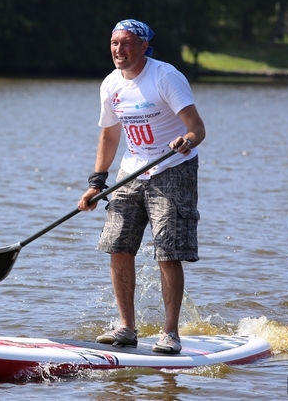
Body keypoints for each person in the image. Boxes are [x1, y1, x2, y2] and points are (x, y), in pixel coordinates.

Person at [78, 19, 205, 354]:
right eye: (114, 43)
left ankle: (170, 333)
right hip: (132, 171)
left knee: (167, 252)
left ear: (144, 47)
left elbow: (197, 129)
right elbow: (109, 135)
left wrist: (185, 140)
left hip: (172, 169)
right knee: (118, 245)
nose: (119, 50)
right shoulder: (110, 85)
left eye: (127, 43)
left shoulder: (165, 77)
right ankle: (126, 327)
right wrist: (96, 183)